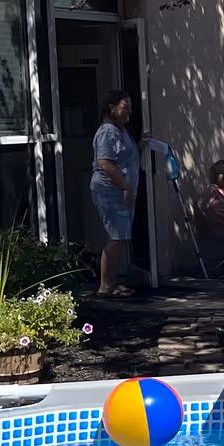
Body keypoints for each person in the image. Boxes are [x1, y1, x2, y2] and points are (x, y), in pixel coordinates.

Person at [91, 93, 144, 297]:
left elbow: (125, 157)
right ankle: (105, 286)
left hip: (121, 191)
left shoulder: (122, 131)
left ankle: (113, 283)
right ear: (112, 108)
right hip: (110, 191)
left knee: (121, 237)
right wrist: (125, 188)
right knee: (116, 237)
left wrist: (142, 144)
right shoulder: (107, 132)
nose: (129, 111)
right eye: (125, 107)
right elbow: (106, 164)